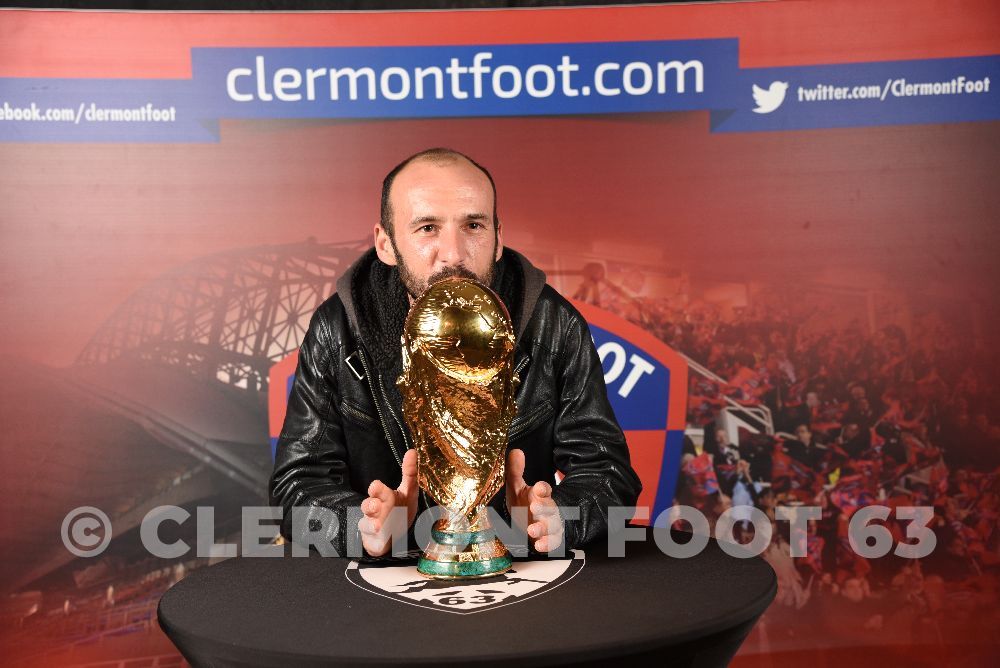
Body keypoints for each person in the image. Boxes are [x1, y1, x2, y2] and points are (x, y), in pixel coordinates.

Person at [269, 148, 641, 558]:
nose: (454, 254)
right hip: (380, 589)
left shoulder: (552, 323)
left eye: (474, 225)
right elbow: (297, 483)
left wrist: (557, 519)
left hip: (517, 571)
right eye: (427, 227)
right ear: (386, 244)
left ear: (499, 238)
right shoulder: (338, 329)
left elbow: (608, 472)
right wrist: (362, 525)